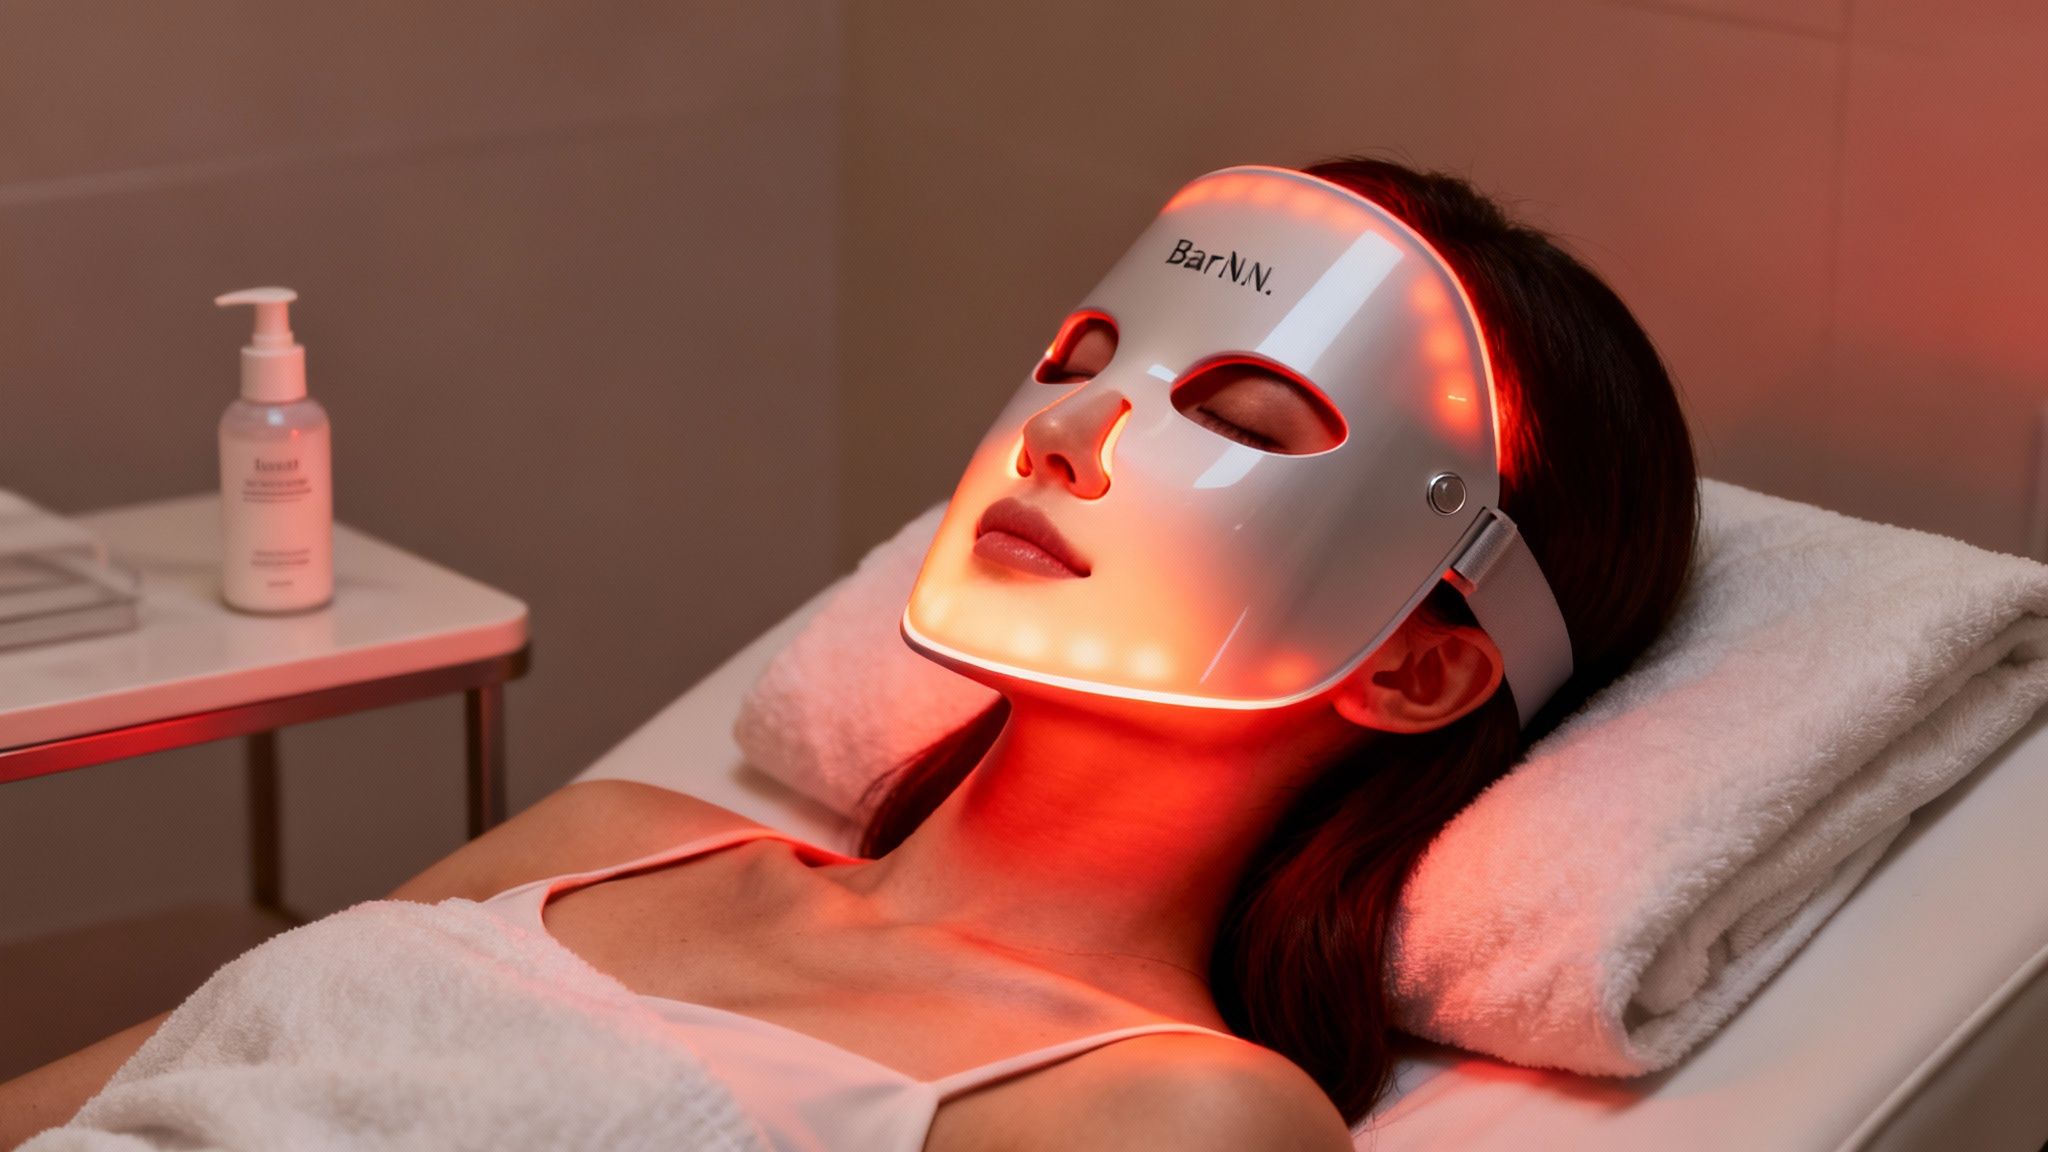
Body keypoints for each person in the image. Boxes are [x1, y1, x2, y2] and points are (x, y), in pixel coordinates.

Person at [0, 157, 1697, 1151]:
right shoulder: (617, 844)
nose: (1070, 431)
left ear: (1420, 669)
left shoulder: (1171, 1113)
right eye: (1082, 355)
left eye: (1243, 417)